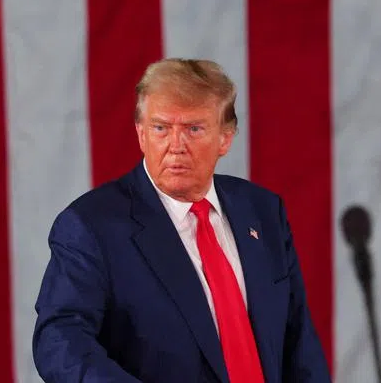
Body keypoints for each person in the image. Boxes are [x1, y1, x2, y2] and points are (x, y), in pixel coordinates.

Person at [32, 58, 330, 383]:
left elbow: (299, 342)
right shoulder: (91, 226)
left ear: (225, 139)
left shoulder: (262, 211)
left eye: (193, 129)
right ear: (141, 134)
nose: (176, 146)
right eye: (161, 128)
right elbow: (60, 341)